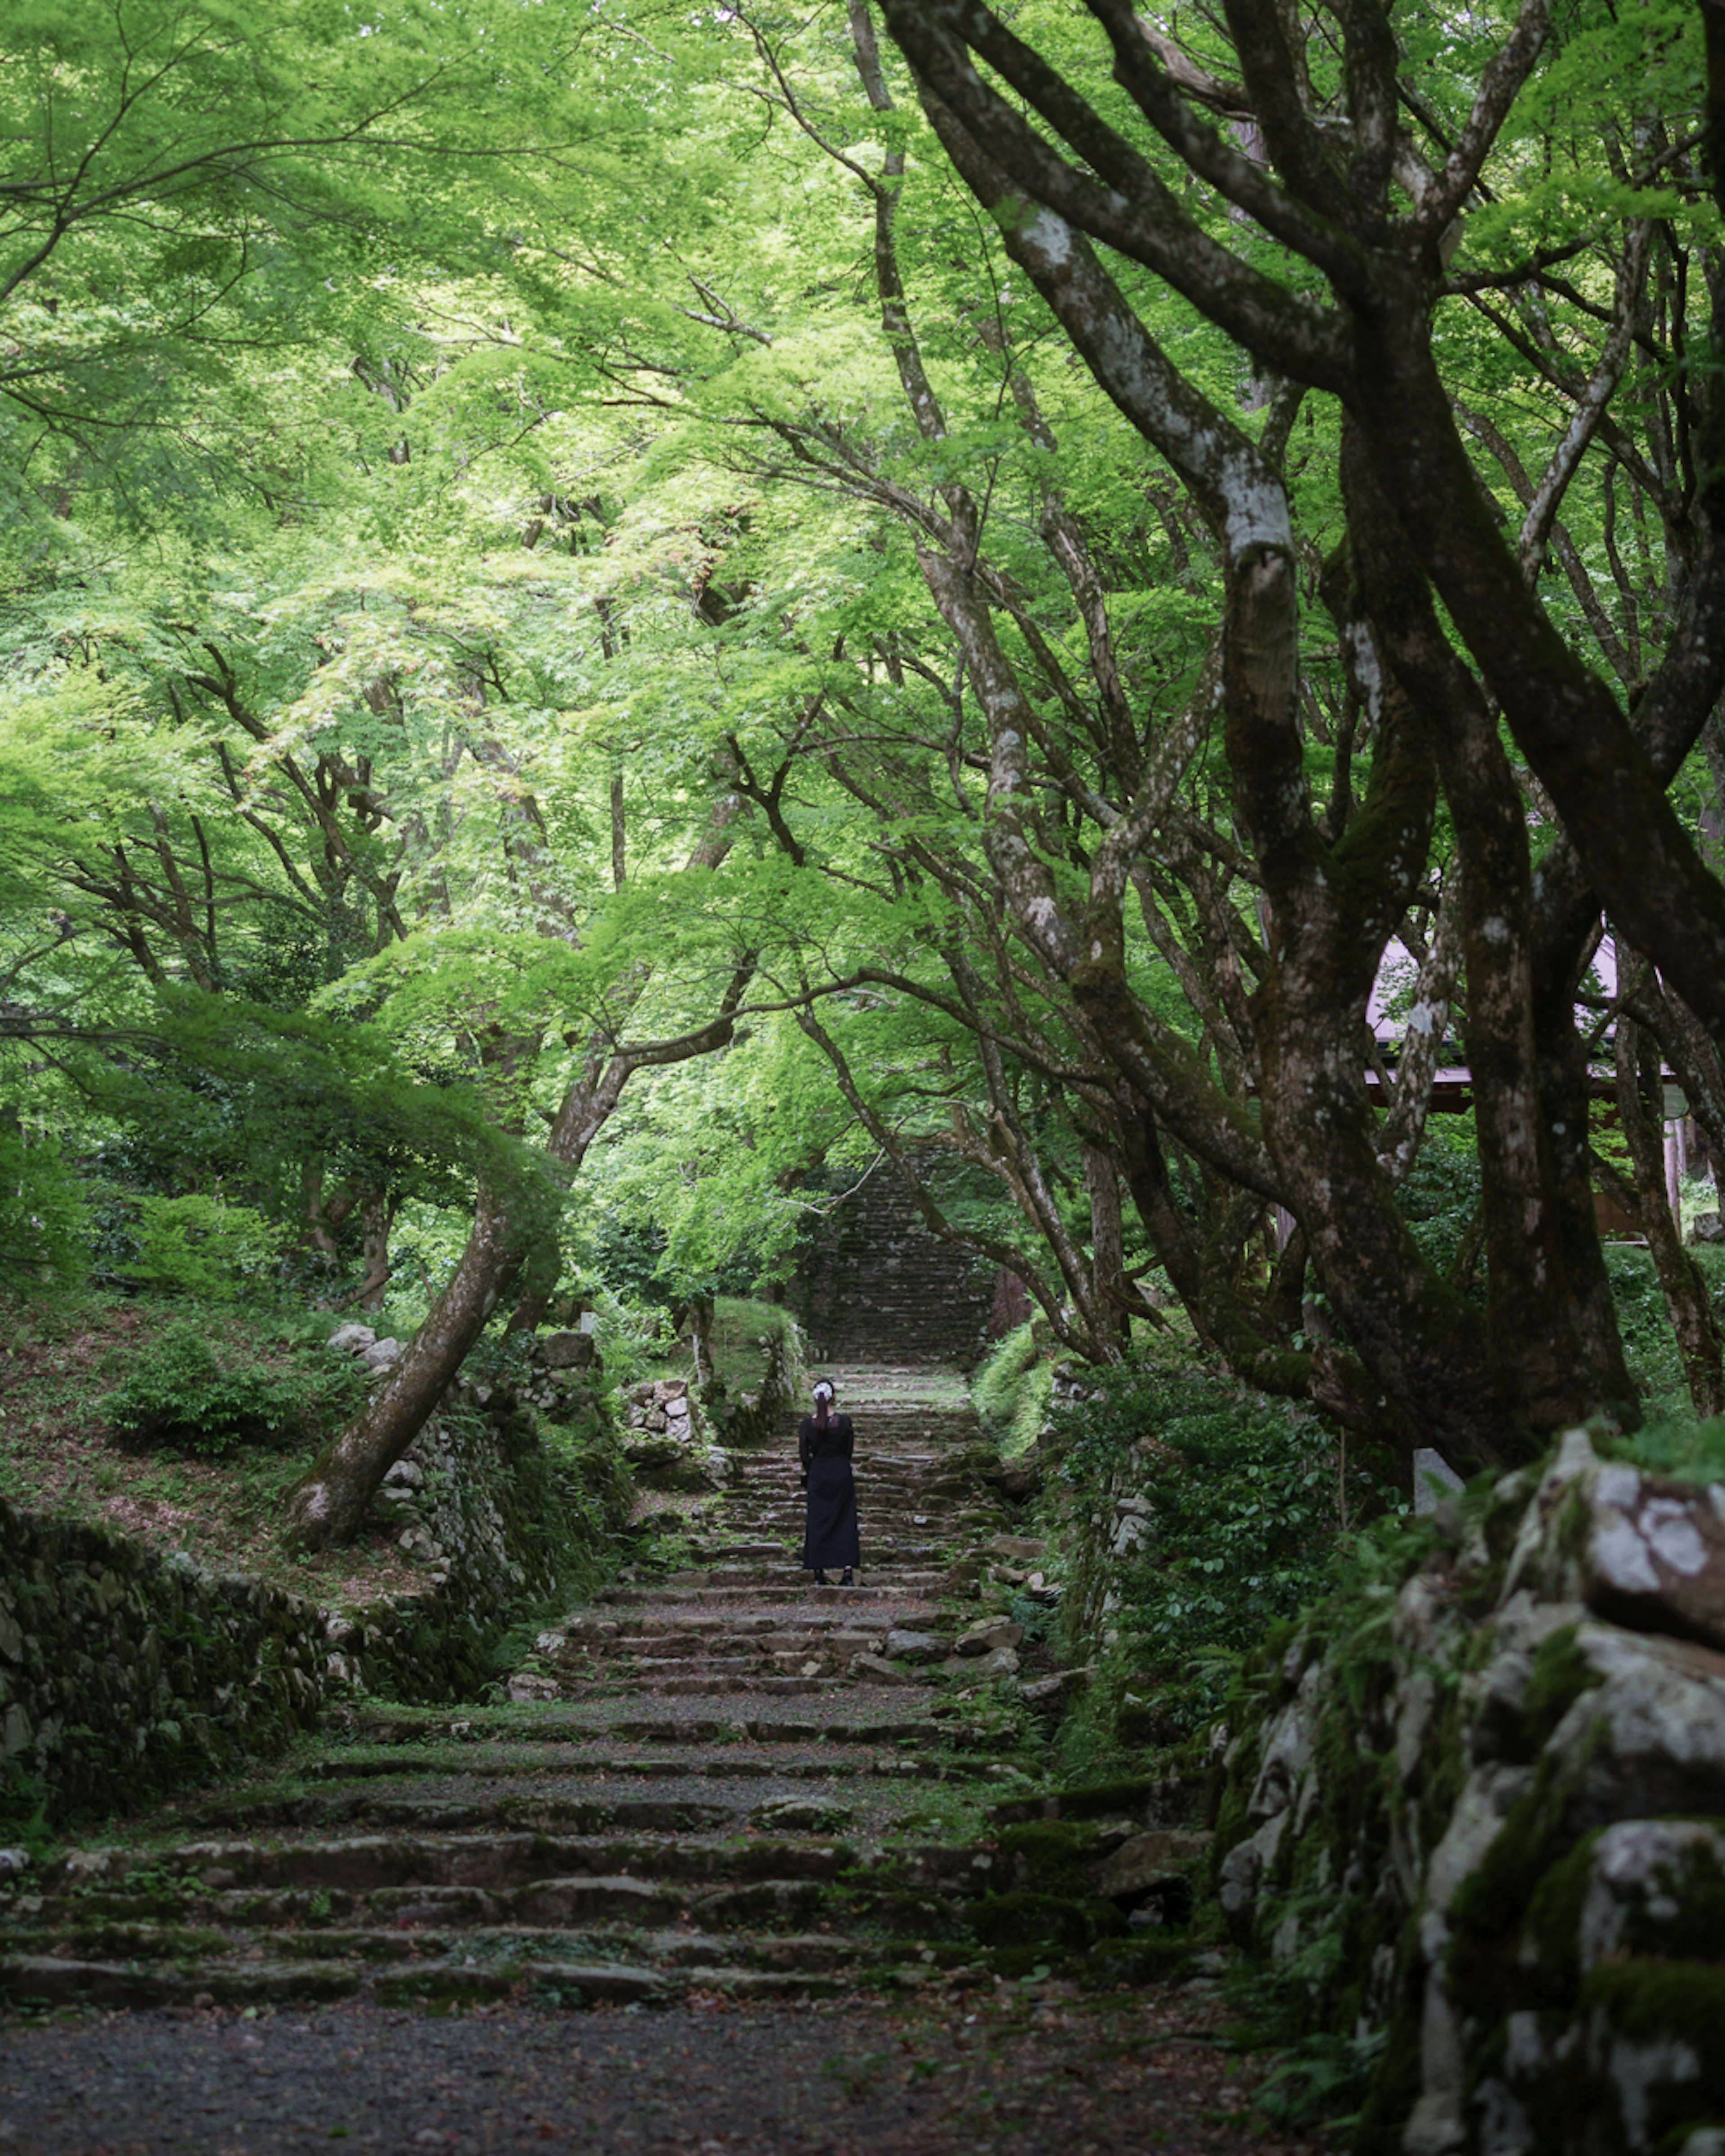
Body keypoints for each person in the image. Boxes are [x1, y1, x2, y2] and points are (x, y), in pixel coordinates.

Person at [799, 1378, 859, 1587]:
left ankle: (818, 1572)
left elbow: (805, 1456)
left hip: (818, 1474)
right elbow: (848, 1450)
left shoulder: (807, 1426)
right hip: (841, 1472)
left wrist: (812, 1471)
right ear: (833, 1397)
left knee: (817, 1521)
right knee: (845, 1519)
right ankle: (848, 1572)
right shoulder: (844, 1422)